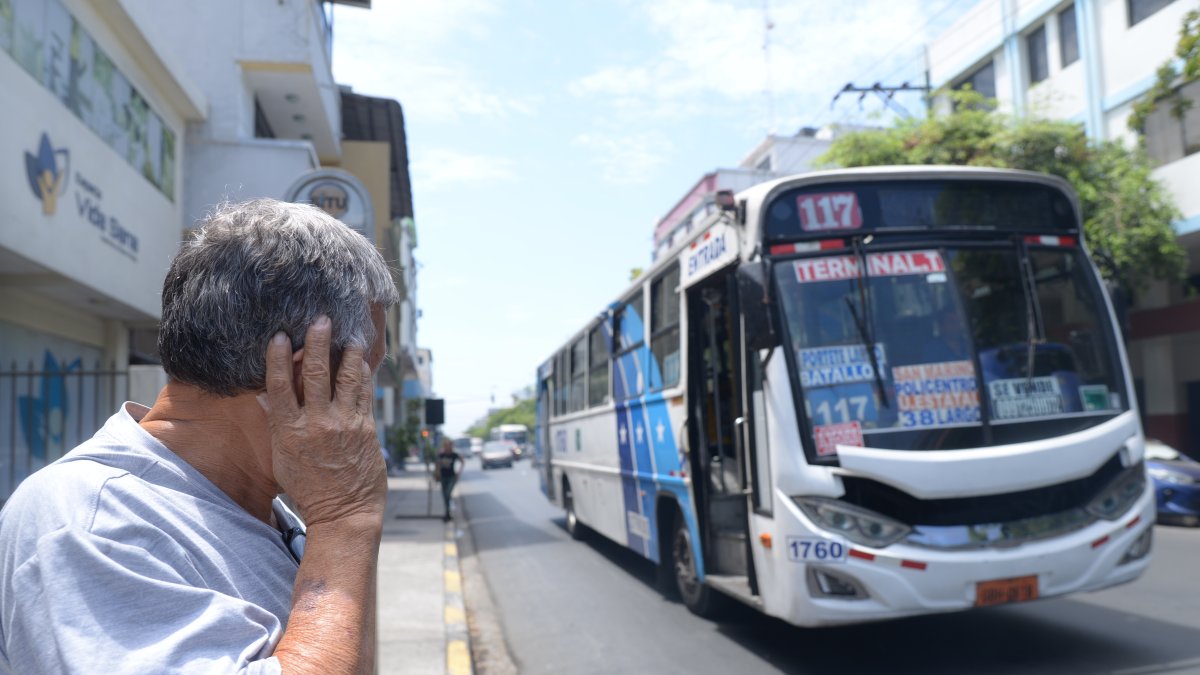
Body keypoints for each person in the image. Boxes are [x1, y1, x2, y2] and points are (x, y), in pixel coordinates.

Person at [0, 199, 400, 673]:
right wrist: (346, 520)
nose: (363, 410)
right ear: (303, 378)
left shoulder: (260, 509)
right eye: (363, 378)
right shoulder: (94, 522)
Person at [435, 439, 465, 521]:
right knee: (445, 496)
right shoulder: (441, 455)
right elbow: (437, 465)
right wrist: (437, 474)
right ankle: (447, 513)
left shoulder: (454, 455)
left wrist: (458, 473)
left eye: (449, 446)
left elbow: (462, 462)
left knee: (448, 494)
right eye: (446, 446)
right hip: (443, 477)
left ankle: (449, 511)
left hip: (451, 477)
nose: (447, 447)